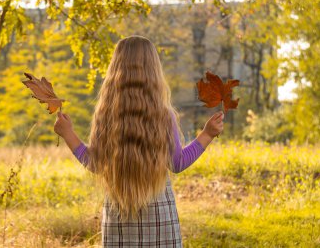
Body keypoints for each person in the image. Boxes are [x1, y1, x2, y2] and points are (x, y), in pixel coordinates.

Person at [54, 35, 224, 247]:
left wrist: (68, 134)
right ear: (153, 70)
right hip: (160, 218)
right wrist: (206, 134)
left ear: (115, 70)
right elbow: (177, 163)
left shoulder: (106, 115)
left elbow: (95, 164)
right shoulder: (163, 115)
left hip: (118, 218)